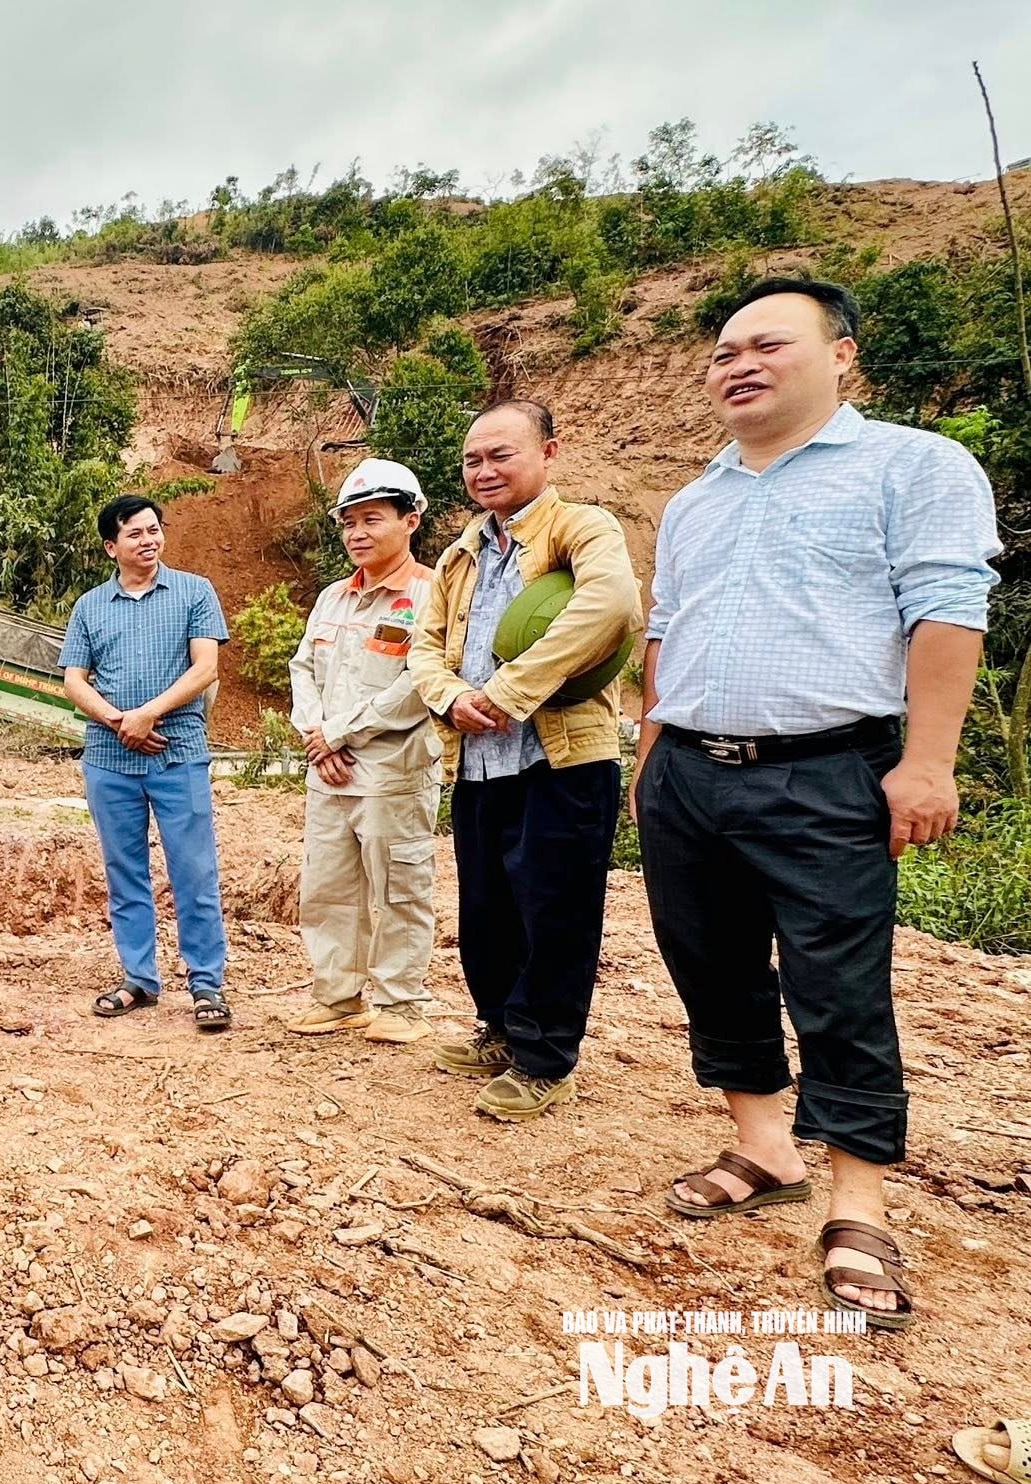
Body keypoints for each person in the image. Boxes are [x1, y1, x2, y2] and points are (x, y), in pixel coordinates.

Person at [635, 277, 998, 1329]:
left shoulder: (913, 466)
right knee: (709, 965)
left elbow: (946, 610)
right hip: (687, 770)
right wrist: (651, 761)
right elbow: (666, 630)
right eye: (723, 352)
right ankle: (762, 1147)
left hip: (826, 770)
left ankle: (858, 1203)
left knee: (837, 982)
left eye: (767, 344)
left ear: (841, 355)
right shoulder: (694, 499)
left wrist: (927, 763)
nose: (738, 365)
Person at [407, 401, 642, 1121]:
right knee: (487, 908)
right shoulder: (461, 553)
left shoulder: (583, 527)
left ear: (549, 452)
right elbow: (425, 646)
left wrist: (509, 691)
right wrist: (451, 697)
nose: (484, 471)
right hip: (479, 760)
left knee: (555, 910)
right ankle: (501, 1028)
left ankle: (545, 1058)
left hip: (561, 761)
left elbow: (610, 605)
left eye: (500, 455)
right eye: (473, 459)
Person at [60, 494, 234, 1032]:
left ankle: (207, 984)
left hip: (177, 753)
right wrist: (119, 722)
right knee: (124, 871)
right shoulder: (90, 606)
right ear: (111, 547)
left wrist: (148, 715)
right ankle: (139, 978)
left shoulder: (194, 592)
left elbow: (205, 668)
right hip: (109, 760)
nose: (148, 540)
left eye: (154, 529)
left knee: (194, 871)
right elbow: (73, 680)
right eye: (134, 533)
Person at [287, 459, 444, 1043]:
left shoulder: (431, 595)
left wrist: (342, 733)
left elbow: (420, 684)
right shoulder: (333, 597)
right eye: (349, 522)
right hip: (328, 770)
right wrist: (317, 735)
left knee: (399, 889)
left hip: (392, 772)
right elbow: (304, 668)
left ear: (411, 520)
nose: (357, 533)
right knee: (328, 887)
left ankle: (403, 1004)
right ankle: (339, 996)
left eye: (372, 519)